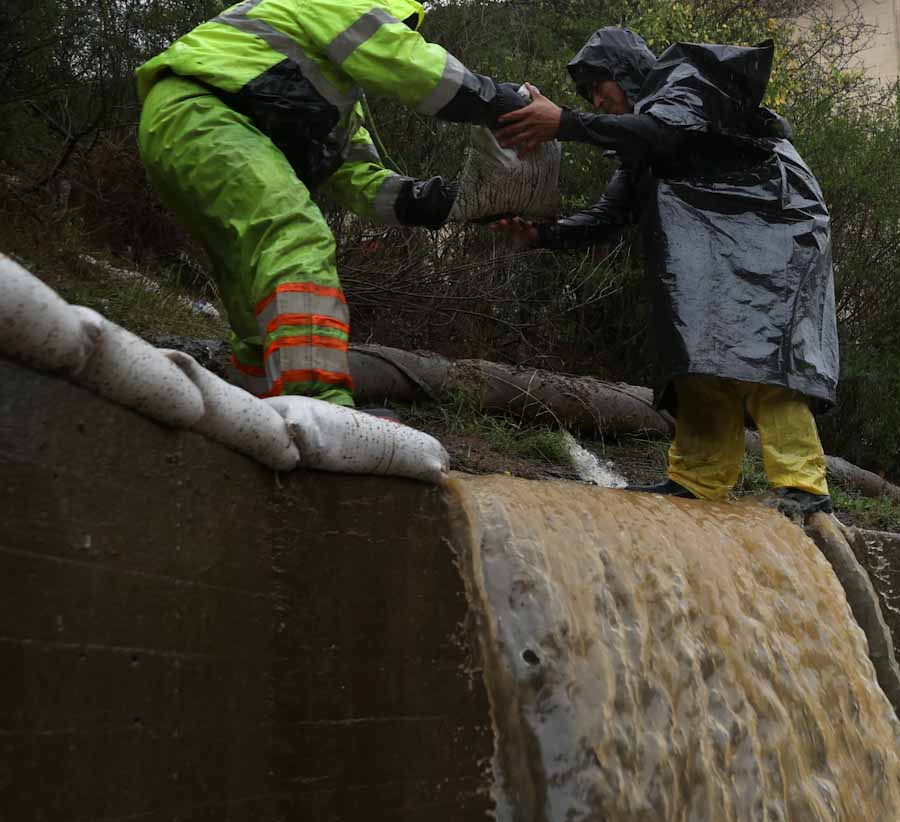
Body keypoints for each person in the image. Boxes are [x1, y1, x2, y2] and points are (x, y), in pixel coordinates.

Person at [489, 29, 838, 516]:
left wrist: (565, 122)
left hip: (777, 224)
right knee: (696, 353)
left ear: (626, 73)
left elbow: (662, 133)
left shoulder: (684, 83)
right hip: (717, 240)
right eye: (588, 95)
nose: (597, 100)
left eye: (599, 86)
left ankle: (803, 485)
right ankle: (698, 477)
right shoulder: (642, 145)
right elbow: (609, 215)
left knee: (767, 358)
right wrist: (540, 236)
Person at [136, 0, 527, 408]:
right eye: (399, 25)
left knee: (254, 289)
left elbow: (357, 180)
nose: (400, 32)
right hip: (203, 111)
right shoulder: (334, 3)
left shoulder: (334, 100)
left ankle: (252, 403)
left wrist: (448, 203)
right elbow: (410, 64)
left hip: (180, 130)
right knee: (296, 236)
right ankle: (318, 404)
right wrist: (501, 103)